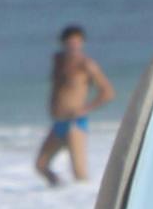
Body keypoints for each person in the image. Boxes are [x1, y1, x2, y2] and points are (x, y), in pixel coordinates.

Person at [35, 21, 118, 185]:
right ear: (63, 43)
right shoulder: (58, 60)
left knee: (79, 173)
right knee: (41, 165)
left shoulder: (86, 64)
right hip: (58, 122)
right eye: (69, 42)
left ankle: (85, 203)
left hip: (75, 124)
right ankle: (59, 193)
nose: (73, 46)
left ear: (82, 43)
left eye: (77, 42)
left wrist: (86, 108)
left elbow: (108, 92)